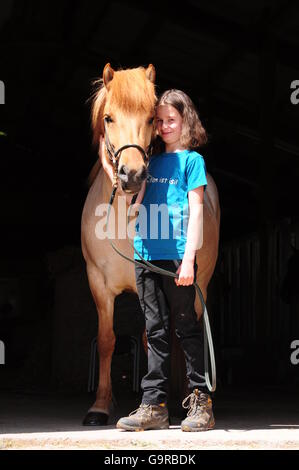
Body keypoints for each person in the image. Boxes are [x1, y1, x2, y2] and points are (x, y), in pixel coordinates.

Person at [116, 89, 215, 432]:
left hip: (175, 257)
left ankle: (200, 401)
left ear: (185, 120)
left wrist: (189, 260)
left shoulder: (192, 162)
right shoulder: (151, 160)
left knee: (187, 328)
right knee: (154, 331)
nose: (164, 126)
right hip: (145, 255)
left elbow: (197, 213)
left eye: (170, 120)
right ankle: (154, 405)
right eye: (159, 121)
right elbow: (136, 202)